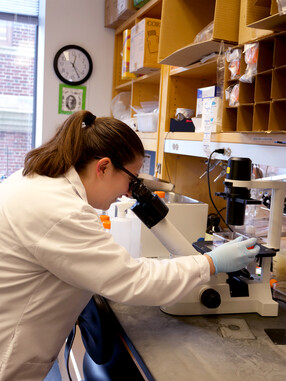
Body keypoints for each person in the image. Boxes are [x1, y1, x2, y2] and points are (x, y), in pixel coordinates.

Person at [0, 110, 259, 380]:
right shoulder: (61, 210)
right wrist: (210, 263)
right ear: (103, 167)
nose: (128, 191)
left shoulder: (37, 180)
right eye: (131, 178)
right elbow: (132, 281)